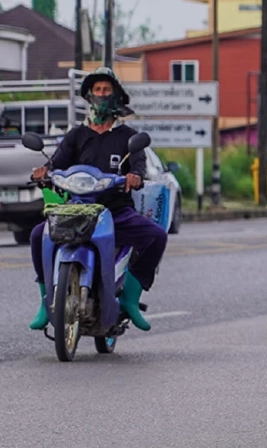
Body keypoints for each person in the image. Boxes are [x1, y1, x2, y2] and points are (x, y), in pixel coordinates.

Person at [27, 67, 166, 333]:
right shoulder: (76, 135)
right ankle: (46, 303)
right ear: (89, 96)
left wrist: (135, 176)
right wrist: (44, 172)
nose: (101, 94)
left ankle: (130, 299)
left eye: (106, 90)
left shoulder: (128, 136)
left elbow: (138, 166)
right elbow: (56, 164)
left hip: (116, 211)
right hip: (77, 210)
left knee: (156, 237)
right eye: (97, 90)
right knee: (37, 236)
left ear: (116, 96)